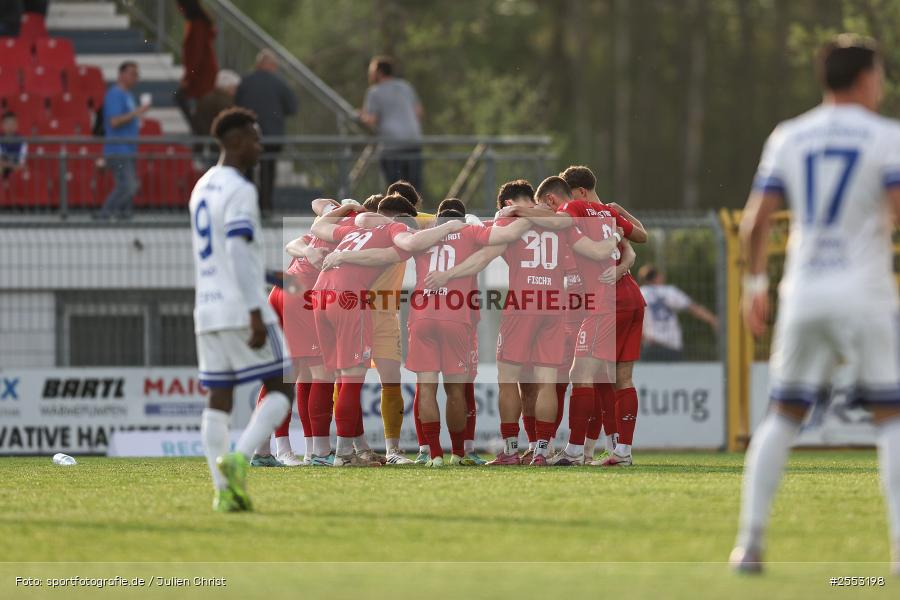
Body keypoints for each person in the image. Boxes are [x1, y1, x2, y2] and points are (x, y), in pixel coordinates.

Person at [730, 35, 900, 575]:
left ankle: (749, 545)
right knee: (892, 418)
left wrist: (754, 287)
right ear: (867, 78)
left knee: (782, 413)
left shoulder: (790, 135)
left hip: (803, 290)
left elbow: (756, 222)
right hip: (866, 292)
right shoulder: (887, 137)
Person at [189, 107, 295, 512]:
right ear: (233, 141)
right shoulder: (240, 189)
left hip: (207, 308)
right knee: (284, 386)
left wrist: (265, 270)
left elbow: (222, 250)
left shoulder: (201, 186)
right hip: (241, 305)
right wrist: (254, 309)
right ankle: (240, 457)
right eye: (253, 137)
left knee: (219, 399)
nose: (259, 146)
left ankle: (223, 492)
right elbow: (234, 247)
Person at [310, 195, 466, 466]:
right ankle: (343, 455)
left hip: (320, 294)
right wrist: (450, 227)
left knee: (337, 376)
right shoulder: (397, 229)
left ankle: (343, 450)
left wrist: (345, 211)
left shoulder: (355, 229)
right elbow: (412, 242)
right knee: (350, 378)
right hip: (349, 298)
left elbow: (318, 228)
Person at [560, 166, 647, 466]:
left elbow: (557, 221)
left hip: (606, 301)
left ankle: (573, 452)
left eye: (565, 195)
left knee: (579, 374)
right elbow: (642, 237)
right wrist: (622, 212)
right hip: (633, 298)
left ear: (579, 191)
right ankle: (622, 451)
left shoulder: (577, 208)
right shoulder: (610, 214)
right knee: (621, 378)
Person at [235, 49, 298, 213]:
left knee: (247, 171)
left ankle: (249, 206)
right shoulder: (279, 83)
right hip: (272, 136)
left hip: (248, 135)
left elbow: (237, 105)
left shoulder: (245, 81)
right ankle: (266, 206)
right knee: (268, 171)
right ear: (270, 65)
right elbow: (292, 108)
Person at [360, 56, 424, 191]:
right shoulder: (405, 86)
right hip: (413, 142)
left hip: (392, 147)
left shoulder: (374, 91)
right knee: (413, 190)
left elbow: (371, 119)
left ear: (379, 72)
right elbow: (418, 111)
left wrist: (360, 116)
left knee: (395, 191)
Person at [98, 62, 149, 220]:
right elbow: (114, 121)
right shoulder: (115, 94)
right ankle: (106, 213)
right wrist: (137, 112)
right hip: (118, 149)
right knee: (128, 186)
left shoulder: (128, 95)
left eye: (137, 74)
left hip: (129, 149)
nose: (136, 78)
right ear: (121, 75)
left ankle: (121, 215)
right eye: (132, 73)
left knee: (128, 185)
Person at [638, 264, 718, 361]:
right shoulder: (669, 291)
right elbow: (694, 308)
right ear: (658, 277)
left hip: (650, 347)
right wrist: (713, 320)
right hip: (671, 347)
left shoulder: (640, 293)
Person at [175, 0, 218, 132]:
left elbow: (196, 55)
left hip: (201, 75)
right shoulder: (198, 23)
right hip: (203, 73)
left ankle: (200, 136)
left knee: (180, 98)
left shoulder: (197, 25)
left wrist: (188, 78)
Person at [0, 112, 27, 180]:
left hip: (16, 172)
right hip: (2, 171)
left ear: (16, 125)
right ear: (2, 125)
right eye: (8, 123)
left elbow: (22, 164)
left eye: (12, 123)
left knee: (25, 172)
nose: (10, 126)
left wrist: (7, 165)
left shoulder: (22, 141)